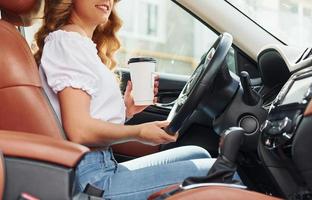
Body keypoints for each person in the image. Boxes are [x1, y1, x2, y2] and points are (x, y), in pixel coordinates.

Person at [35, 0, 216, 199]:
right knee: (221, 174)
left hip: (100, 166)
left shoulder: (78, 43)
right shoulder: (68, 42)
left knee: (198, 155)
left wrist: (127, 110)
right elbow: (79, 130)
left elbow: (85, 116)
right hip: (93, 181)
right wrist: (138, 132)